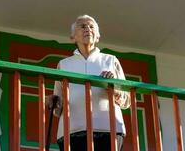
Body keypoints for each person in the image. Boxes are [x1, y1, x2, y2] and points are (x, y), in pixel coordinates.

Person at [46, 14, 130, 151]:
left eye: (92, 27)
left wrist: (113, 89)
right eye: (83, 26)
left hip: (108, 130)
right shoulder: (64, 64)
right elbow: (58, 108)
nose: (88, 29)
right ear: (73, 37)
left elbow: (127, 100)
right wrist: (53, 101)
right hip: (72, 131)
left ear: (97, 36)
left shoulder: (110, 60)